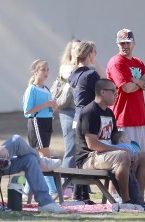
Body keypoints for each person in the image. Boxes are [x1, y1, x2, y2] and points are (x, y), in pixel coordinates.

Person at [75, 78, 145, 208]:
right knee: (122, 156)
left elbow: (115, 136)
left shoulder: (109, 112)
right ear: (103, 92)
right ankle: (126, 202)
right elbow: (92, 145)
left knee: (143, 157)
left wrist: (129, 146)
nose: (117, 95)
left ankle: (139, 201)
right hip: (89, 158)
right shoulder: (90, 112)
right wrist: (120, 150)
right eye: (113, 92)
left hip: (106, 155)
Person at [106, 28, 145, 153]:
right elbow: (126, 88)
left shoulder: (138, 62)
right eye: (122, 43)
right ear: (117, 44)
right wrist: (141, 81)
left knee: (142, 158)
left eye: (128, 42)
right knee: (127, 159)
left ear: (134, 43)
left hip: (139, 118)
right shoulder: (117, 62)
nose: (125, 46)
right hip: (123, 118)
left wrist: (135, 81)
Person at [68, 40, 100, 204]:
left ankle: (79, 194)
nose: (95, 56)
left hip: (77, 117)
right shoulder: (91, 74)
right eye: (94, 53)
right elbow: (102, 93)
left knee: (80, 157)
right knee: (86, 157)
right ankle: (82, 195)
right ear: (89, 54)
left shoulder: (74, 73)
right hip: (88, 117)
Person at [22, 59, 58, 196]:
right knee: (45, 156)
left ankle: (26, 190)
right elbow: (27, 110)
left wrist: (54, 105)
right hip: (37, 122)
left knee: (35, 158)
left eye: (47, 70)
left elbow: (50, 106)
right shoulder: (31, 89)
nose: (46, 73)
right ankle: (53, 189)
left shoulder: (46, 88)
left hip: (47, 122)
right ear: (35, 72)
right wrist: (46, 104)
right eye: (43, 70)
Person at [58, 39, 80, 171]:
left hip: (81, 112)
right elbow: (71, 75)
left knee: (82, 148)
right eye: (75, 48)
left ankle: (81, 185)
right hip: (68, 111)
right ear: (70, 51)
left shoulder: (87, 67)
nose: (77, 51)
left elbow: (103, 75)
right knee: (71, 146)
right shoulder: (66, 67)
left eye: (80, 49)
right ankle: (66, 184)